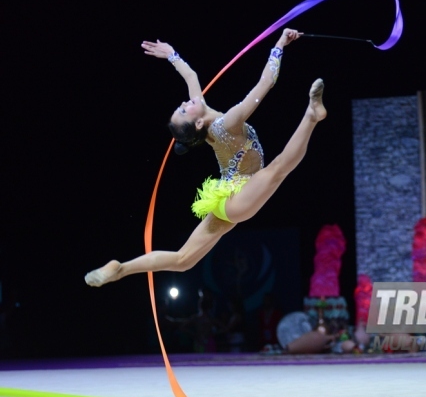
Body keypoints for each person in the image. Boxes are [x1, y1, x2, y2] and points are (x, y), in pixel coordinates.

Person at [85, 28, 326, 287]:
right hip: (239, 194)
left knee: (183, 260)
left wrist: (171, 54)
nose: (185, 103)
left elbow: (191, 75)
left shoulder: (205, 118)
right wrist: (279, 45)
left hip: (227, 197)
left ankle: (120, 268)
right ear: (198, 122)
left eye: (182, 106)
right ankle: (312, 116)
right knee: (278, 169)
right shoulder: (228, 123)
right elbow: (265, 83)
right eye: (184, 109)